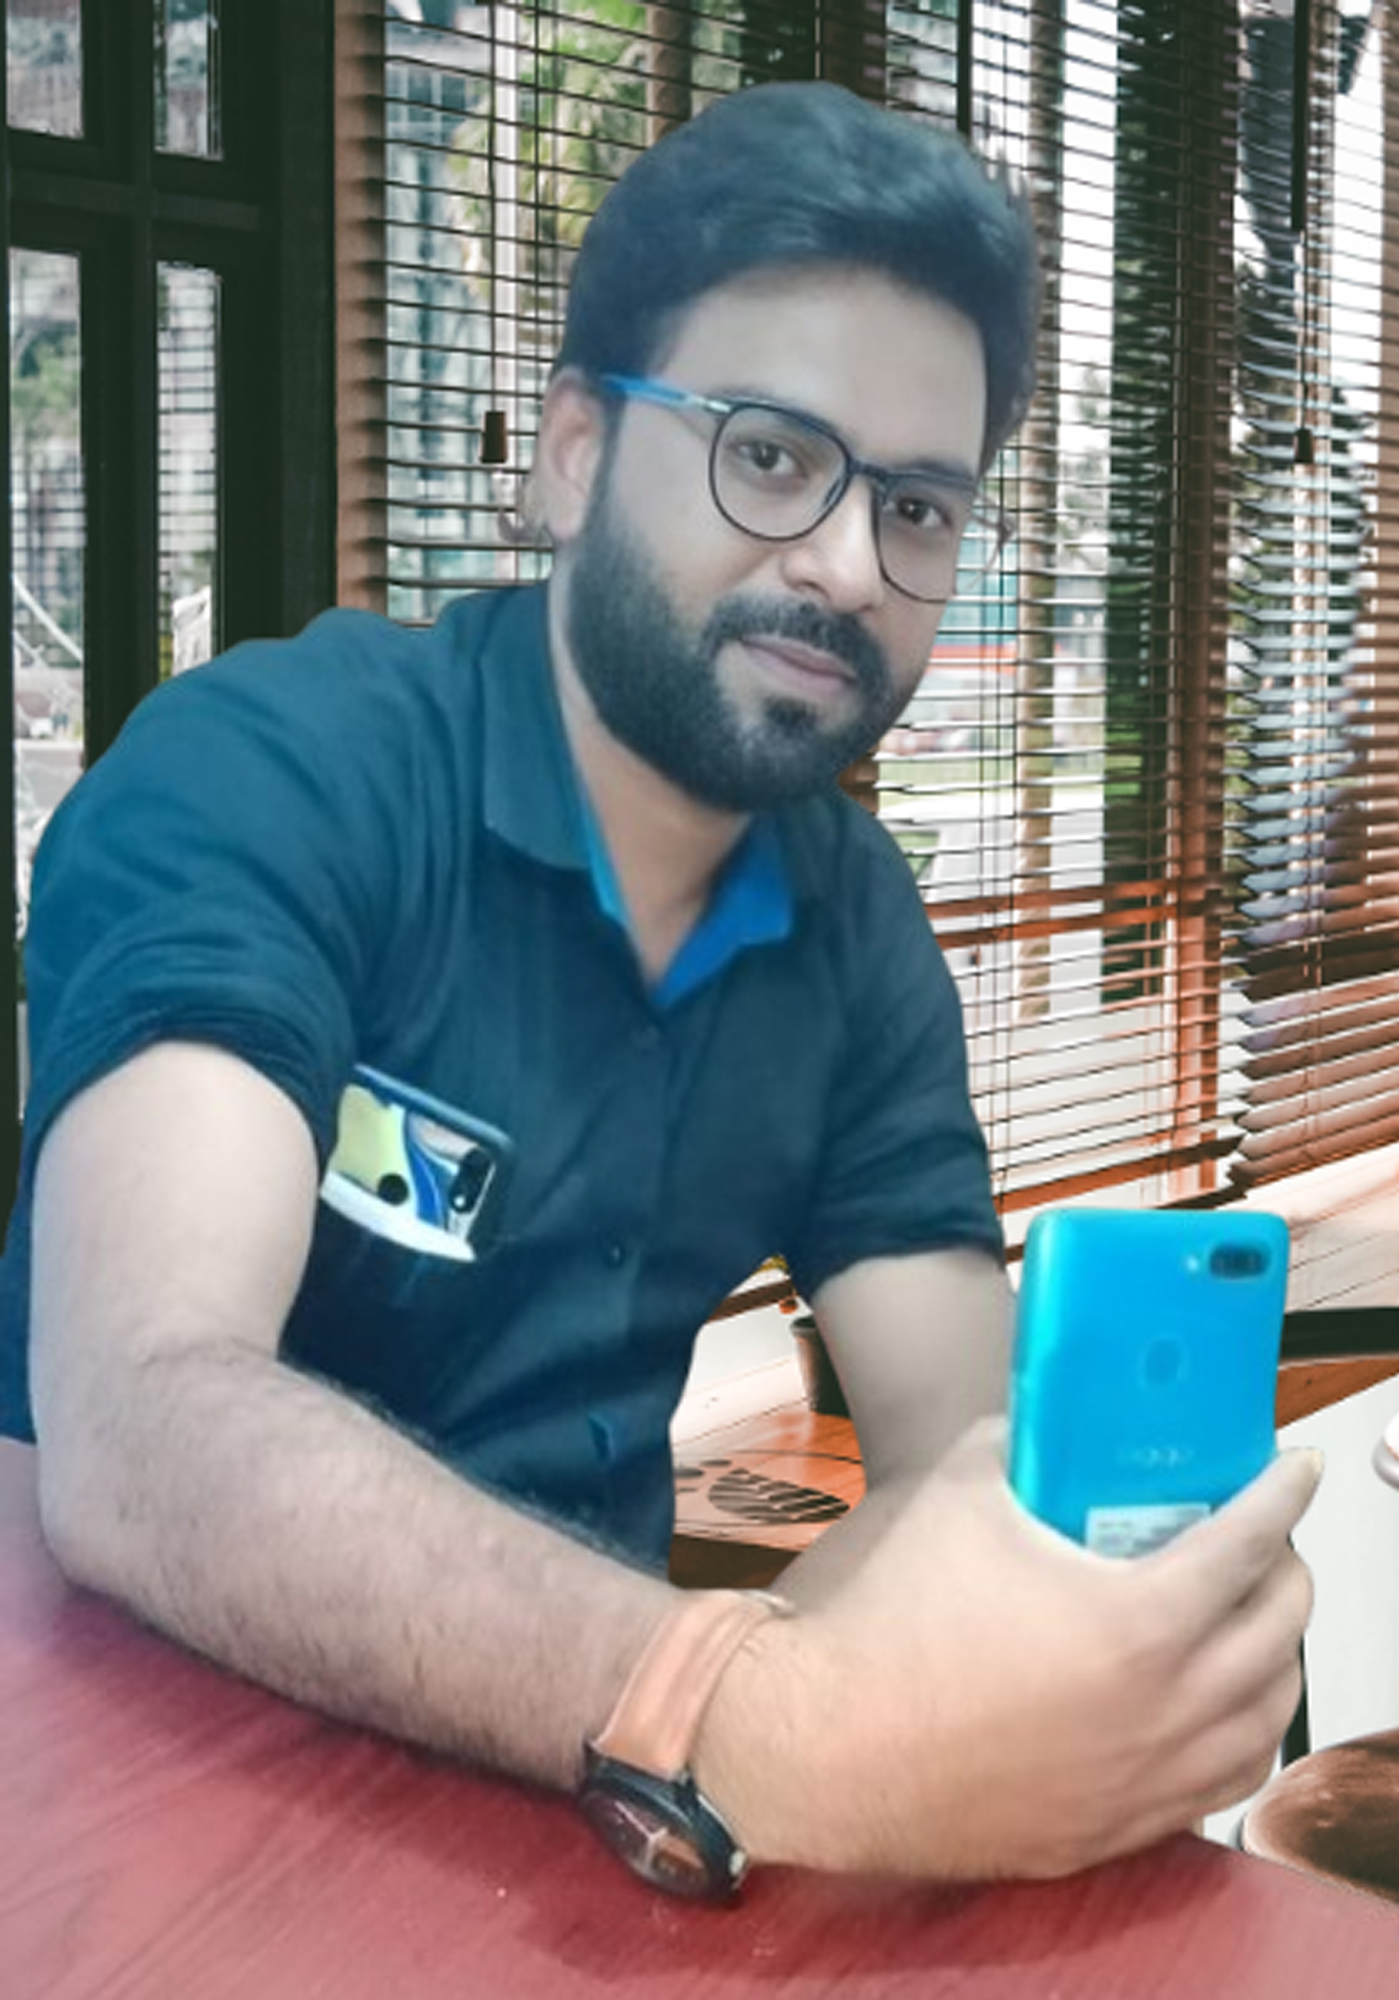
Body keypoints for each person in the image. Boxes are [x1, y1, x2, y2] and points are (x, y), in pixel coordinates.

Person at [0, 81, 1316, 1899]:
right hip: (109, 1811)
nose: (847, 565)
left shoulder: (851, 925)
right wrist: (740, 1712)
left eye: (917, 506)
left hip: (566, 1830)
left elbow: (961, 1460)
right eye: (769, 456)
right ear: (568, 453)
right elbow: (142, 1413)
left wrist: (1088, 1635)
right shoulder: (277, 771)